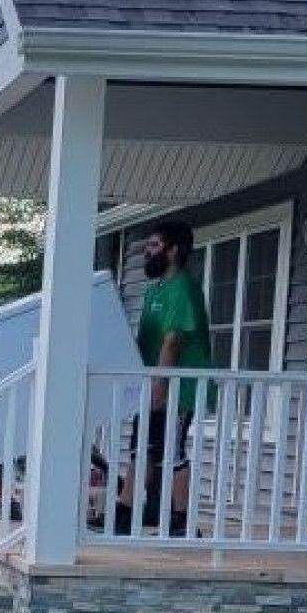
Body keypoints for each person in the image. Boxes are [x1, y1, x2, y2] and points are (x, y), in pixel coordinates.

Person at [105, 219, 214, 536]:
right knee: (142, 449)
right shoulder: (156, 291)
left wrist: (160, 386)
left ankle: (182, 522)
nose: (147, 253)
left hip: (176, 388)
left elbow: (172, 340)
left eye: (153, 247)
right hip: (152, 385)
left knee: (172, 451)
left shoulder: (183, 288)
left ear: (173, 250)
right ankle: (123, 515)